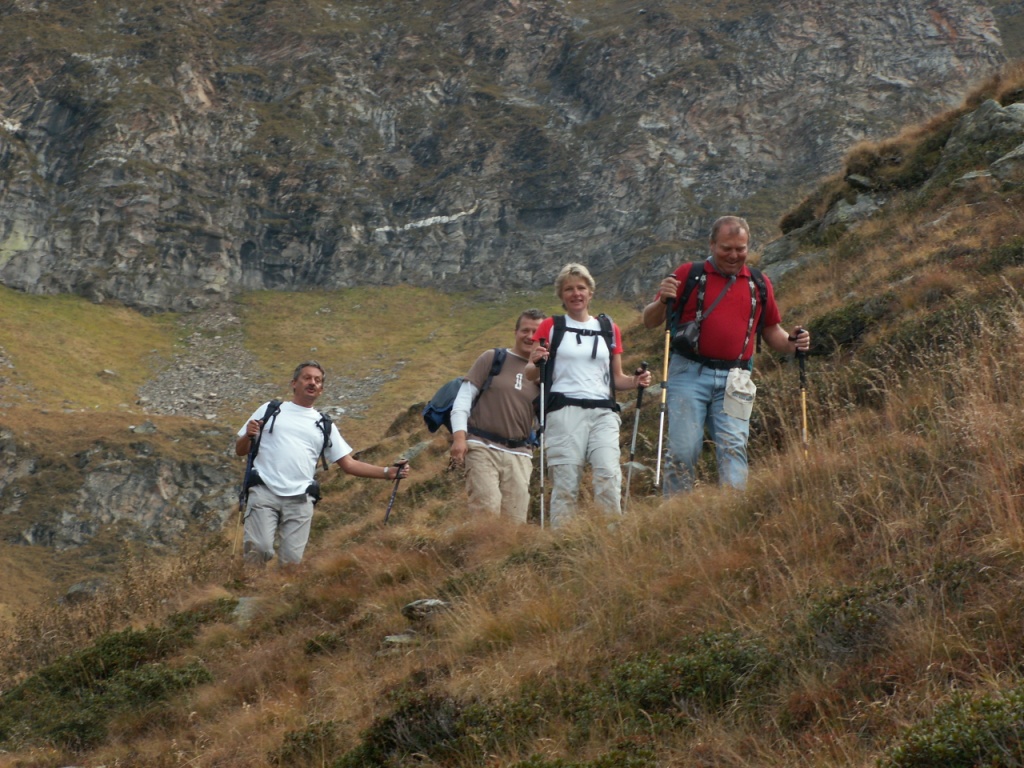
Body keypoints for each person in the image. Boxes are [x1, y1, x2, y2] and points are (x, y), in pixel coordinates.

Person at [642, 215, 811, 494]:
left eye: (740, 248)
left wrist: (793, 343)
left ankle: (733, 516)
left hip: (736, 378)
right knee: (684, 449)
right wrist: (662, 299)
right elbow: (650, 321)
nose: (734, 255)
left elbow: (772, 332)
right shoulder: (688, 274)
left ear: (748, 246)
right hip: (688, 373)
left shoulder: (759, 282)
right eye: (726, 248)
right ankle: (675, 517)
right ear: (712, 244)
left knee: (734, 448)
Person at [235, 360, 410, 566]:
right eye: (307, 378)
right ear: (294, 383)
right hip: (264, 491)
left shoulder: (323, 423)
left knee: (291, 563)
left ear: (321, 389)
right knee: (260, 549)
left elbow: (349, 464)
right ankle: (249, 591)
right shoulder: (270, 410)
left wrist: (388, 472)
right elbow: (240, 450)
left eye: (317, 380)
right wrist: (248, 435)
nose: (312, 383)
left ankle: (278, 596)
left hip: (301, 499)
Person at [528, 264, 653, 528]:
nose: (576, 293)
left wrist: (637, 381)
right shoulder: (551, 327)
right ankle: (562, 542)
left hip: (604, 412)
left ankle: (611, 538)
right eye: (569, 289)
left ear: (591, 292)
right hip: (563, 412)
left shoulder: (608, 328)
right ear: (561, 296)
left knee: (608, 473)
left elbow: (617, 378)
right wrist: (536, 360)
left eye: (581, 288)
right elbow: (532, 373)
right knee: (565, 480)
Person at [449, 309, 546, 524]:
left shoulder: (545, 372)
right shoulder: (493, 358)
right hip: (482, 447)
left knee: (515, 521)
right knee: (486, 511)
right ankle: (480, 556)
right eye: (525, 330)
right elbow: (463, 400)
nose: (530, 336)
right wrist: (459, 438)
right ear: (515, 332)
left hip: (520, 455)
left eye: (536, 332)